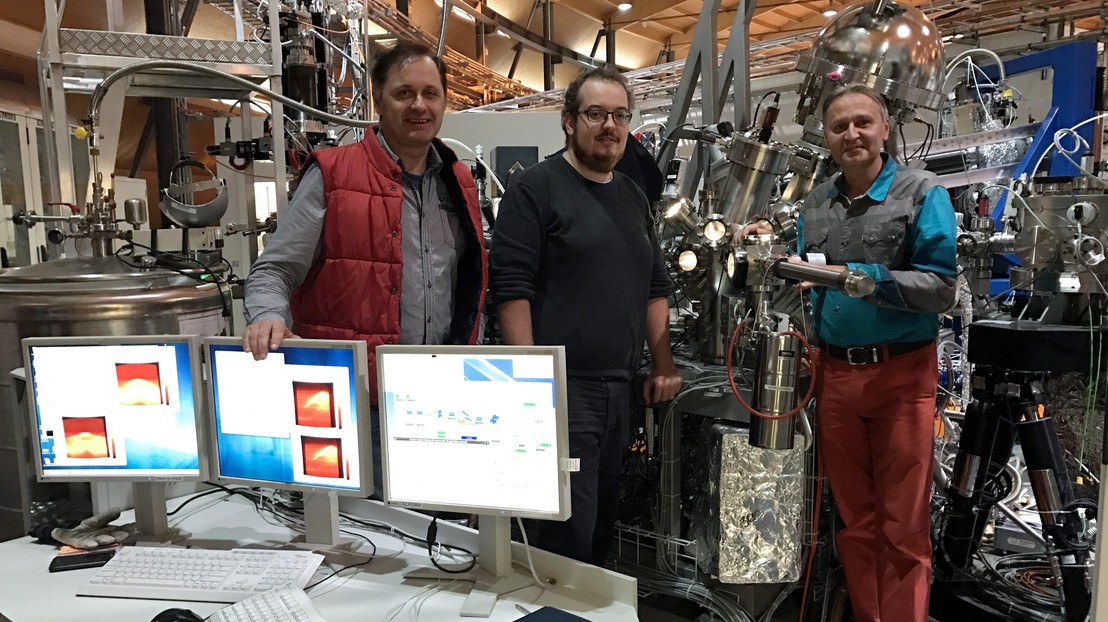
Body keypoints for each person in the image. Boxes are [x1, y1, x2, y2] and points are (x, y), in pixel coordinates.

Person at [242, 41, 487, 497]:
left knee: (436, 539)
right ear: (378, 99)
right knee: (360, 541)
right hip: (358, 405)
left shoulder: (459, 181)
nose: (419, 105)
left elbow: (467, 285)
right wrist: (268, 315)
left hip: (438, 401)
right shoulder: (334, 174)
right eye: (404, 93)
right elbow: (273, 270)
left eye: (430, 94)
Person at [747, 84, 956, 621]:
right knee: (856, 523)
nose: (852, 134)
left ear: (885, 128)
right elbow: (806, 271)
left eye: (863, 122)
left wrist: (861, 279)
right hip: (836, 376)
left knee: (902, 525)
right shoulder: (816, 204)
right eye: (839, 127)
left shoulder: (920, 191)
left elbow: (940, 288)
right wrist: (771, 248)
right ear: (827, 137)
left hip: (901, 375)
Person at [489, 66, 683, 566]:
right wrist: (530, 384)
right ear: (569, 121)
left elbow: (655, 285)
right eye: (596, 114)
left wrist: (662, 363)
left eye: (620, 115)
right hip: (562, 390)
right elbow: (512, 290)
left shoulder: (632, 195)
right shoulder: (536, 189)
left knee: (601, 532)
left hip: (619, 391)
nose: (609, 126)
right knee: (563, 537)